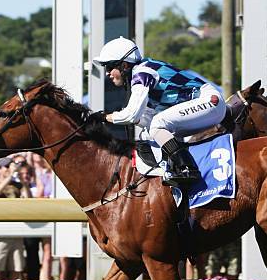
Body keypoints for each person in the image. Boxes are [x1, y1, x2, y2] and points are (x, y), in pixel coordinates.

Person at [92, 36, 226, 186]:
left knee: (158, 124)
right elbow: (143, 118)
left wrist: (105, 117)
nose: (107, 73)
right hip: (206, 105)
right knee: (150, 130)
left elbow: (131, 114)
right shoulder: (141, 72)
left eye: (110, 67)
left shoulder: (142, 73)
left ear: (124, 65)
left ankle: (187, 169)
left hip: (210, 101)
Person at [0, 157, 32, 280]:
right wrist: (10, 176)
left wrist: (23, 182)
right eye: (7, 167)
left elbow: (29, 200)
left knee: (17, 270)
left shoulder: (18, 186)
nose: (9, 169)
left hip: (17, 233)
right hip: (0, 234)